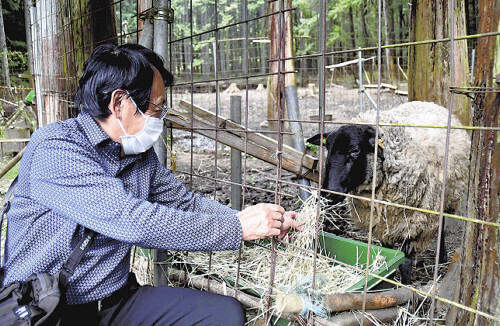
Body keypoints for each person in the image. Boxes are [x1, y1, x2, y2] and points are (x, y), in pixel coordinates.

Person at [2, 43, 302, 325]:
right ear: (120, 102)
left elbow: (185, 203)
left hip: (115, 302)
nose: (159, 118)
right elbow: (130, 220)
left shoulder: (136, 155)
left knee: (224, 315)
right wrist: (237, 230)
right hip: (48, 309)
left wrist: (256, 220)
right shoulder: (56, 147)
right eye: (156, 109)